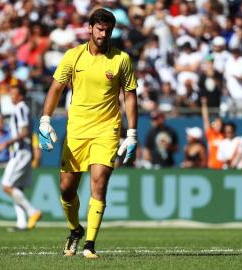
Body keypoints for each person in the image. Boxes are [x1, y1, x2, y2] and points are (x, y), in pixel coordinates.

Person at [38, 9, 138, 259]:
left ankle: (90, 243)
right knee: (66, 189)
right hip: (77, 130)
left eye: (108, 30)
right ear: (90, 28)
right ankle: (75, 230)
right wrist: (45, 119)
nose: (104, 34)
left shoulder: (121, 59)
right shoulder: (73, 56)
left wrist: (132, 133)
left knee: (99, 182)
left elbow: (130, 95)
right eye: (100, 29)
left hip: (107, 129)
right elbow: (56, 88)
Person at [0, 85, 42, 232]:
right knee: (17, 188)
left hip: (21, 152)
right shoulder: (19, 109)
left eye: (14, 94)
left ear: (21, 96)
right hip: (21, 152)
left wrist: (6, 143)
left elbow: (24, 132)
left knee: (6, 186)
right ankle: (22, 223)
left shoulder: (21, 108)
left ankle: (32, 211)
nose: (12, 97)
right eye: (11, 94)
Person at [200, 97, 224, 169]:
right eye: (216, 123)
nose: (218, 125)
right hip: (212, 166)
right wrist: (204, 104)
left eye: (219, 123)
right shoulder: (211, 134)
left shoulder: (224, 135)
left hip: (223, 167)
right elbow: (205, 118)